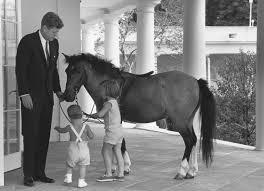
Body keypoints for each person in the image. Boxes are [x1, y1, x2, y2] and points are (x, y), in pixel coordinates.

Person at [15, 12, 64, 187]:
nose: (55, 35)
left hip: (47, 99)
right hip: (30, 98)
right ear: (44, 28)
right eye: (53, 32)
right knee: (30, 135)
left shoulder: (54, 44)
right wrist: (24, 94)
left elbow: (53, 70)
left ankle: (39, 172)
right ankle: (28, 174)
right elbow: (20, 71)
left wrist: (58, 91)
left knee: (43, 136)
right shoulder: (27, 42)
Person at [90, 80, 125, 182]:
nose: (100, 92)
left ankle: (109, 174)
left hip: (112, 132)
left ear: (107, 91)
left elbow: (100, 114)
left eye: (101, 90)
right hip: (119, 131)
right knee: (117, 151)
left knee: (105, 150)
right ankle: (120, 174)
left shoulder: (108, 103)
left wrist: (94, 115)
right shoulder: (115, 102)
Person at [55, 105, 94, 188]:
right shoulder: (86, 127)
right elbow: (91, 136)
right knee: (83, 166)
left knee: (69, 165)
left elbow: (62, 131)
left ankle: (68, 178)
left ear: (69, 117)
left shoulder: (69, 127)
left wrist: (57, 128)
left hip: (73, 150)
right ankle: (81, 181)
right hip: (84, 151)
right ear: (82, 115)